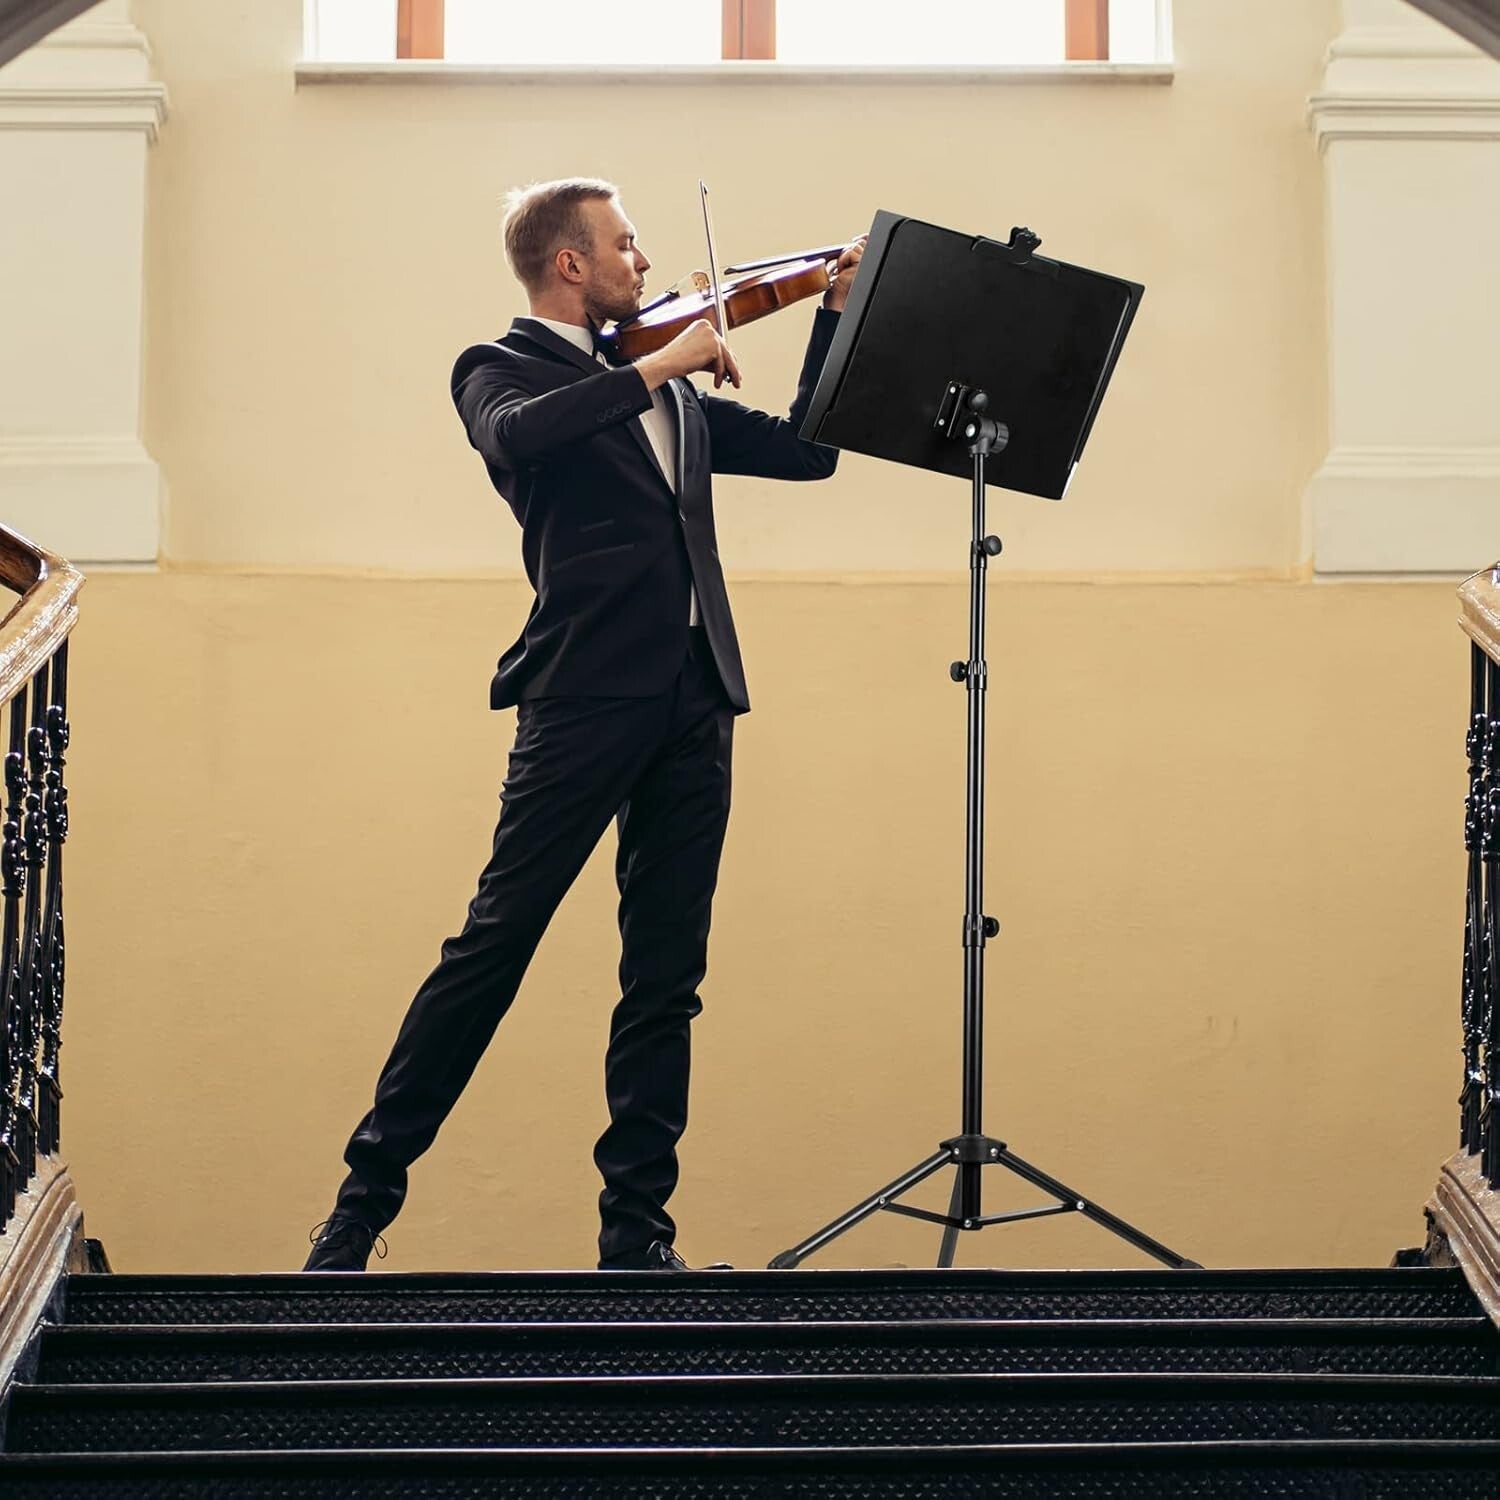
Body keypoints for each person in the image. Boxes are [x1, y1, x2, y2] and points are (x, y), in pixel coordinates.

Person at [302, 178, 863, 1273]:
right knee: (494, 945)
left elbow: (812, 451)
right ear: (571, 264)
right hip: (583, 697)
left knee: (666, 975)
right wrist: (658, 364)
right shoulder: (499, 370)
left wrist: (833, 312)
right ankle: (360, 1209)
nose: (647, 265)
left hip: (697, 698)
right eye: (626, 245)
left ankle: (635, 1240)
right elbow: (520, 438)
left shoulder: (672, 398)